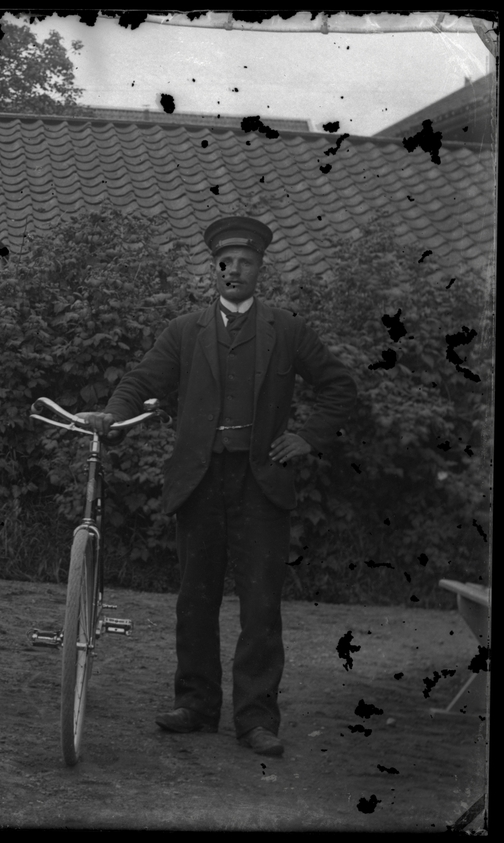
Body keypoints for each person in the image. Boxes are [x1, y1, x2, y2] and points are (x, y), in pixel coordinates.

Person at [80, 216, 357, 757]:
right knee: (195, 599)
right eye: (224, 263)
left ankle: (256, 720)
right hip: (200, 480)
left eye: (245, 263)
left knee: (261, 605)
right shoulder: (185, 330)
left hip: (262, 483)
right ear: (214, 270)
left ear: (260, 269)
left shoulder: (287, 330)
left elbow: (339, 387)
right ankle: (196, 705)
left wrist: (305, 437)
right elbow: (140, 381)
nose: (234, 270)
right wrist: (113, 415)